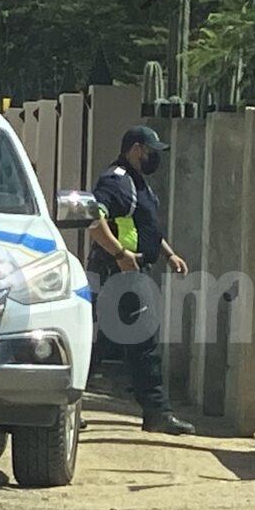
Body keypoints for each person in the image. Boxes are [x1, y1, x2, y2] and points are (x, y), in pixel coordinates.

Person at [87, 125, 196, 435]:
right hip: (118, 273)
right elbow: (94, 220)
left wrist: (169, 254)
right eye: (151, 151)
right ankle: (157, 412)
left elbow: (146, 227)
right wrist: (121, 254)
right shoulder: (117, 181)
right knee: (139, 342)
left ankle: (67, 405)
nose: (154, 158)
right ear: (136, 149)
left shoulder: (137, 184)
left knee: (102, 342)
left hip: (128, 272)